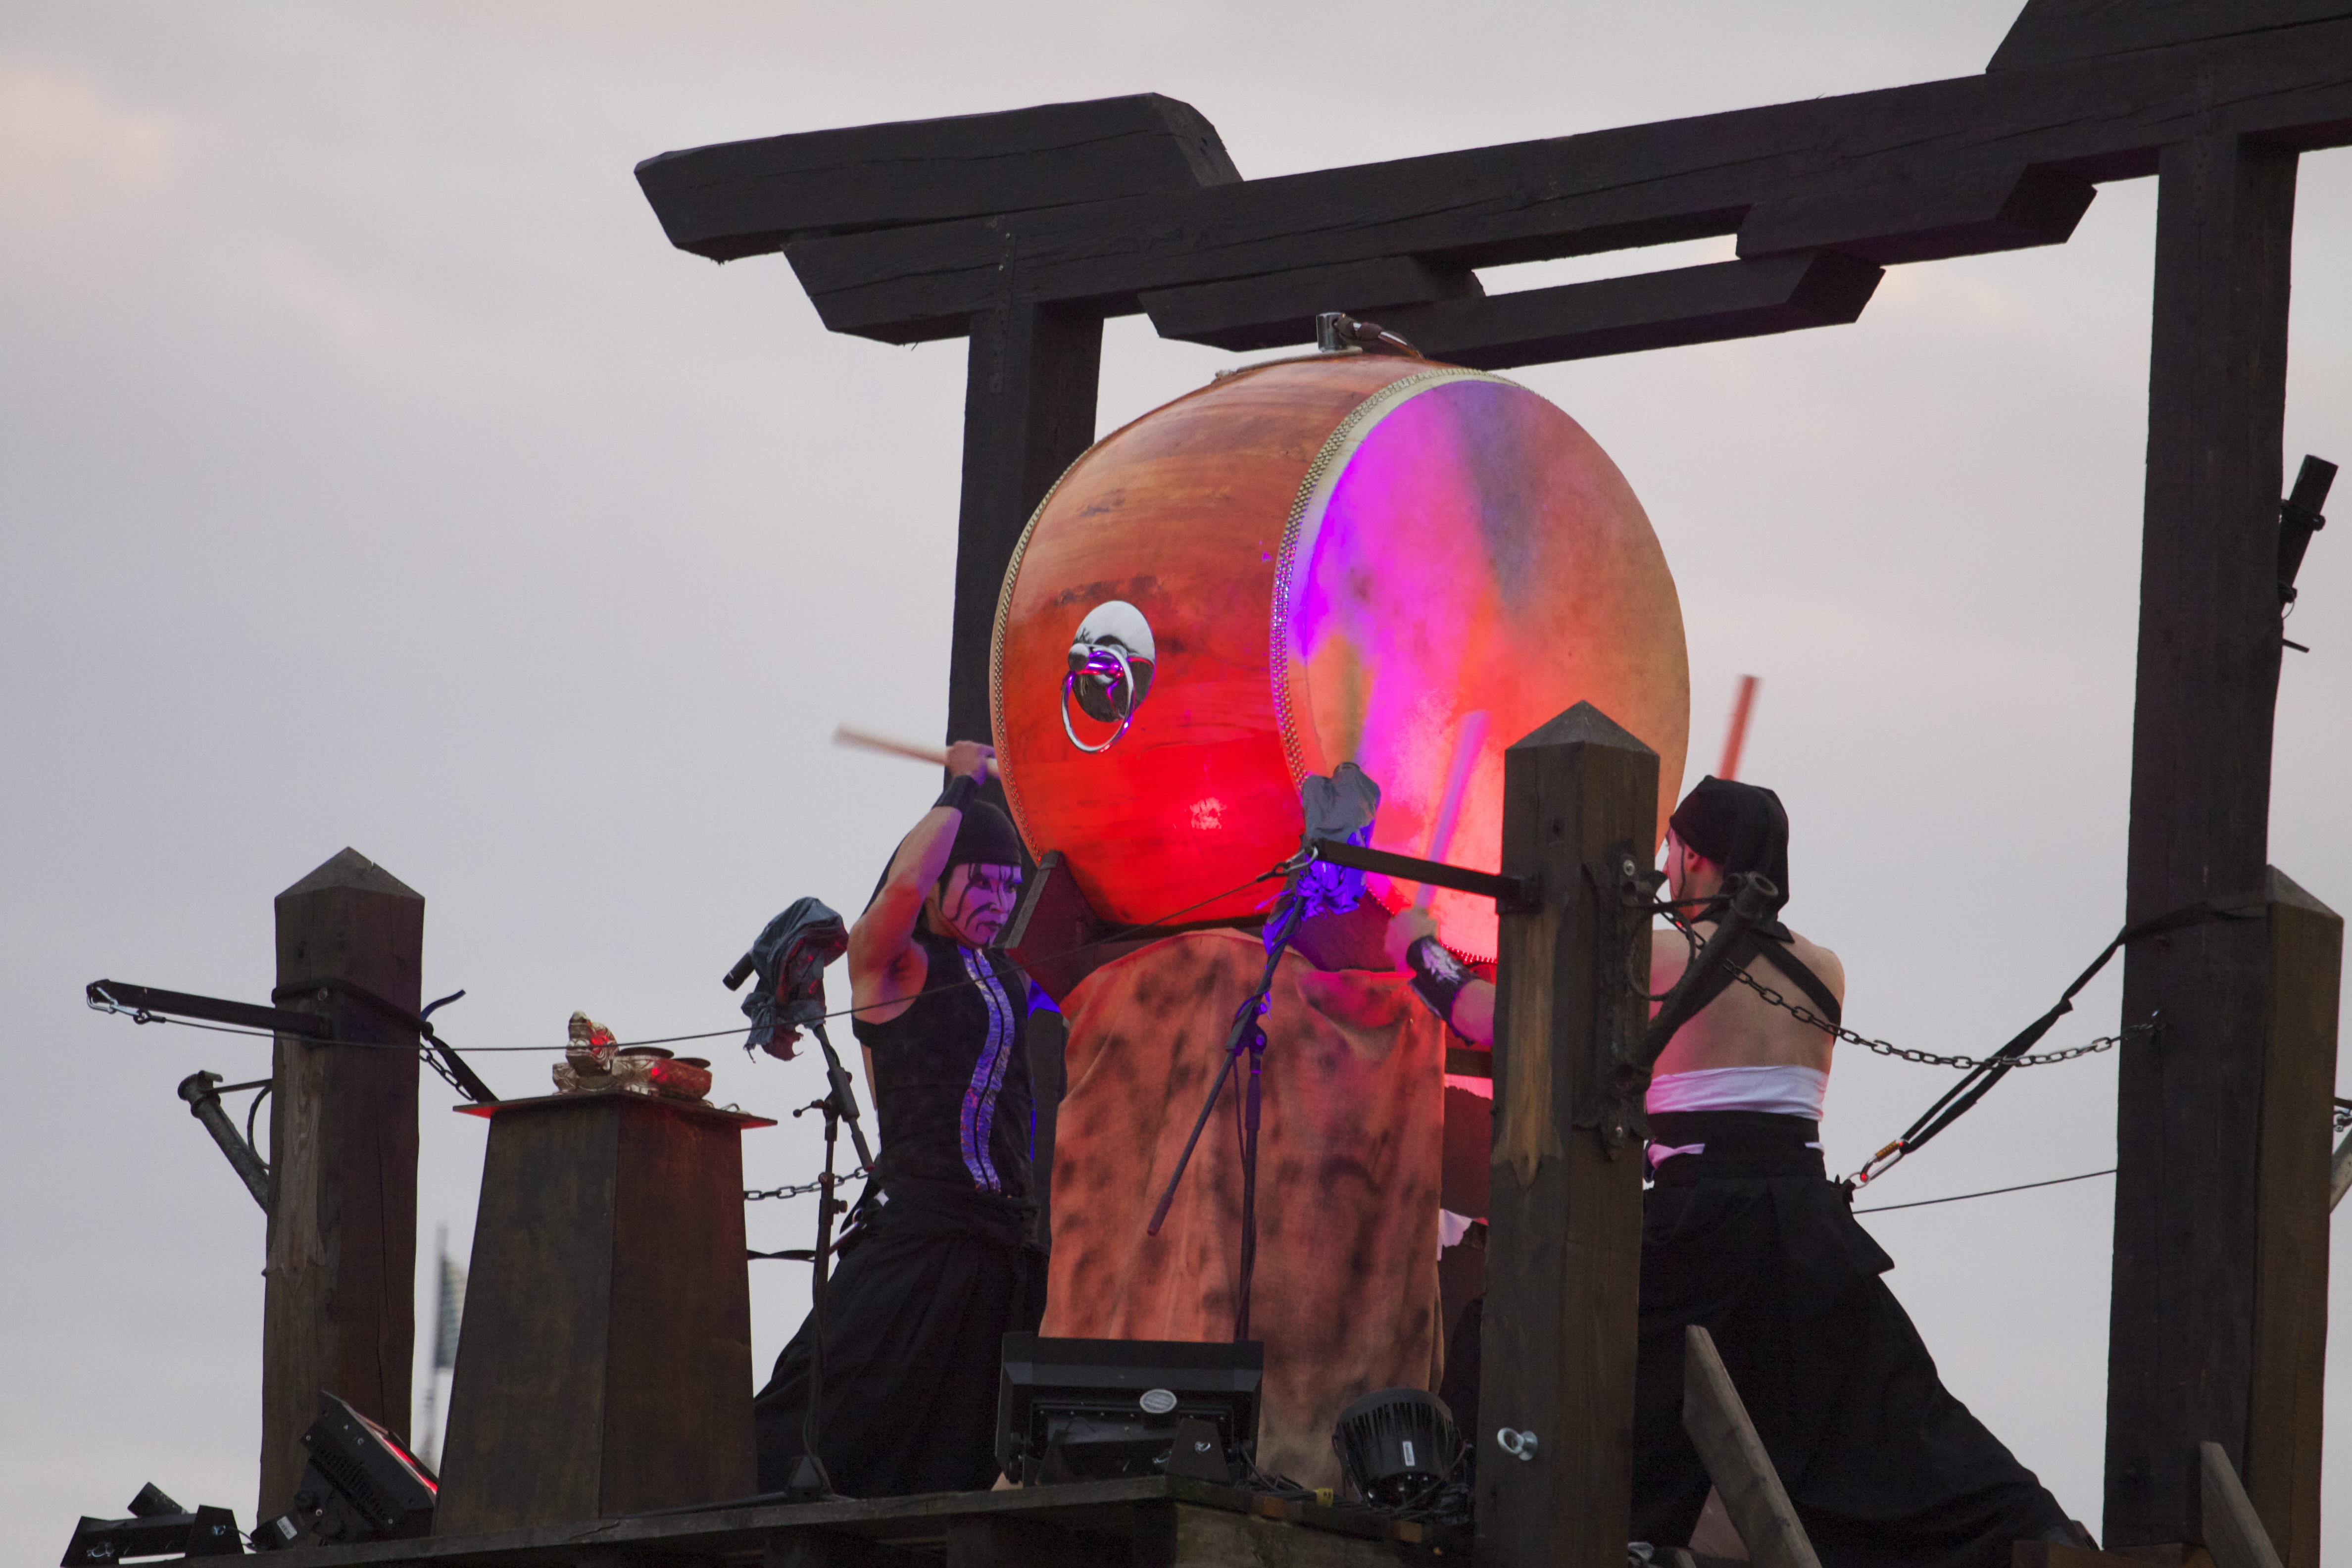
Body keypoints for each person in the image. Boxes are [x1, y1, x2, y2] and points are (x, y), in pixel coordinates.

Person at [1386, 776, 2088, 1568]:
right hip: (1809, 1232)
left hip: (1702, 1221)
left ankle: (1459, 1508)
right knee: (1895, 1413)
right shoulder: (1826, 969)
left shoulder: (1658, 955)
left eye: (1670, 850)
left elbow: (1495, 1020)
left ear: (1693, 856)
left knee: (1520, 1327)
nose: (1664, 869)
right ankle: (2043, 1535)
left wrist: (1418, 950)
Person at [753, 740, 1046, 1497]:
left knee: (968, 1442)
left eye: (1010, 887)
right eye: (982, 883)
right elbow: (906, 882)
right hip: (920, 1238)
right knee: (841, 1411)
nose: (999, 902)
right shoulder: (895, 963)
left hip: (999, 1244)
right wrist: (958, 790)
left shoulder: (1006, 971)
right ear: (943, 882)